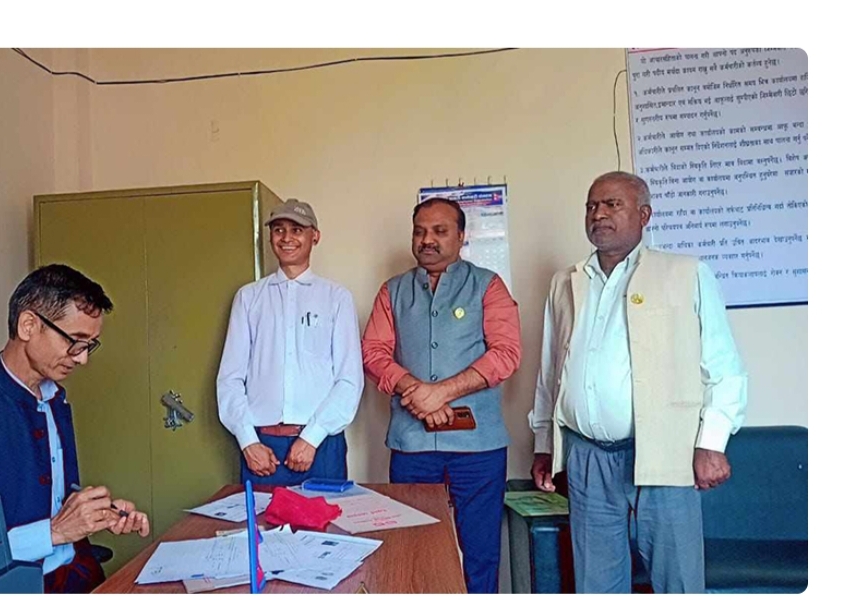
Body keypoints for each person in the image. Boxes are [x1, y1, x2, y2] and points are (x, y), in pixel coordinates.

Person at [528, 171, 748, 593]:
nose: (599, 214)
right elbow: (550, 371)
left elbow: (723, 367)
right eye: (592, 206)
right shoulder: (566, 282)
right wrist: (543, 443)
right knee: (595, 584)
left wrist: (712, 443)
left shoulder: (686, 273)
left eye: (613, 204)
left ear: (644, 215)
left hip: (664, 451)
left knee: (677, 581)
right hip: (587, 457)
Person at [0, 264, 149, 594]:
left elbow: (41, 499)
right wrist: (55, 532)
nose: (82, 359)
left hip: (76, 576)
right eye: (75, 342)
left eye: (89, 345)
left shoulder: (54, 400)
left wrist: (96, 515)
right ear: (28, 325)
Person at [362, 197, 522, 594]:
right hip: (412, 445)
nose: (427, 240)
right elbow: (373, 353)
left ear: (461, 236)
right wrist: (415, 391)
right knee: (413, 548)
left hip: (478, 446)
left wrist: (441, 393)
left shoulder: (488, 285)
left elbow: (506, 353)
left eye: (439, 231)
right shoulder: (393, 291)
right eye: (420, 232)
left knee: (480, 551)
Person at [217, 198, 364, 486]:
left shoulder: (336, 298)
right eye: (279, 230)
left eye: (297, 230)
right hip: (262, 448)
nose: (286, 238)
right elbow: (230, 378)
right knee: (261, 517)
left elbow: (349, 380)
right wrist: (248, 441)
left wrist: (312, 437)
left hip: (321, 445)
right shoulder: (249, 297)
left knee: (325, 517)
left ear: (315, 236)